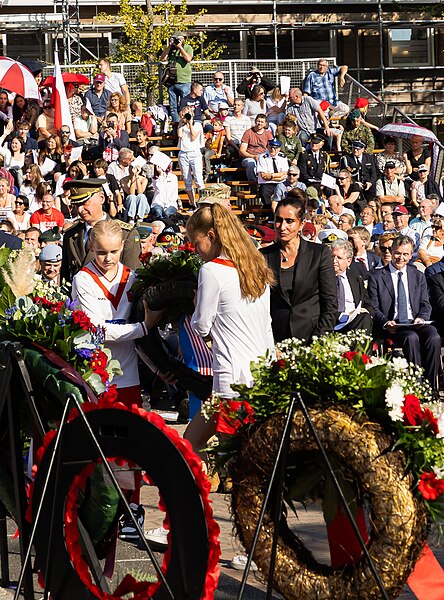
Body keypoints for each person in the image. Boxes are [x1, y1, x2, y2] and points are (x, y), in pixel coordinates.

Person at [72, 219, 162, 539]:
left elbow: (133, 330)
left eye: (112, 251)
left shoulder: (134, 278)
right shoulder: (82, 279)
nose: (107, 258)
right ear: (91, 249)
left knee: (130, 447)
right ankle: (100, 509)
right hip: (97, 376)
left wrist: (157, 362)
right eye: (100, 252)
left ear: (123, 247)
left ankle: (131, 509)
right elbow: (97, 329)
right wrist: (142, 328)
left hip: (129, 377)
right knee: (102, 448)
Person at [183, 203, 275, 461]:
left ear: (211, 237)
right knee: (191, 442)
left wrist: (195, 305)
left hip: (230, 378)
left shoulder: (211, 271)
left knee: (230, 457)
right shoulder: (256, 265)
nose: (194, 250)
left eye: (195, 242)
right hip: (259, 372)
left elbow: (201, 326)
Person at [368, 235, 441, 392]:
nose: (401, 258)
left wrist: (422, 317)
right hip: (393, 325)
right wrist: (385, 323)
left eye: (405, 254)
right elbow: (373, 307)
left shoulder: (418, 276)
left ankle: (430, 387)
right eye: (398, 253)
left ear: (411, 254)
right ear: (392, 251)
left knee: (433, 336)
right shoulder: (377, 277)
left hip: (415, 321)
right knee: (411, 337)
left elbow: (425, 304)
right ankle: (416, 385)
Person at [261, 194, 337, 342]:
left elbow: (330, 304)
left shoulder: (319, 254)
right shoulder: (263, 256)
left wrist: (317, 342)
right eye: (279, 220)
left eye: (290, 221)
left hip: (312, 337)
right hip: (274, 339)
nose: (283, 227)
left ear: (301, 224)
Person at [61, 179, 141, 281]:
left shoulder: (125, 234)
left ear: (102, 198)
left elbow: (133, 277)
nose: (80, 209)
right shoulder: (71, 235)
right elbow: (65, 276)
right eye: (77, 204)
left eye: (85, 202)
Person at [330, 239, 373, 335]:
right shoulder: (323, 279)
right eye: (332, 257)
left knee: (365, 317)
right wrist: (343, 316)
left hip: (356, 322)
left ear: (349, 261)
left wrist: (365, 311)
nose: (334, 261)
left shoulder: (357, 280)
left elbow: (368, 305)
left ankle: (360, 350)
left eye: (339, 258)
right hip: (333, 322)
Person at [159, 31, 193, 123]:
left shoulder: (187, 47)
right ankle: (176, 125)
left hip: (184, 81)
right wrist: (170, 46)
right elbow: (162, 58)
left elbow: (188, 59)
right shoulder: (171, 49)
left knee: (185, 105)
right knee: (173, 106)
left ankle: (185, 123)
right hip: (172, 81)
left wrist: (180, 47)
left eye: (178, 39)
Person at [177, 107, 204, 208]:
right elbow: (179, 135)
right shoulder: (181, 126)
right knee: (186, 179)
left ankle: (202, 203)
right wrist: (182, 122)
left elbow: (193, 137)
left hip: (194, 153)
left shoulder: (197, 125)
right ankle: (193, 204)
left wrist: (190, 124)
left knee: (198, 179)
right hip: (183, 153)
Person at [239, 114, 273, 183]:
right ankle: (253, 184)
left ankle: (267, 184)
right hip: (250, 156)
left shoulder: (268, 134)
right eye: (258, 121)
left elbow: (271, 148)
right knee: (251, 164)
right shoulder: (248, 132)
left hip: (263, 156)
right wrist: (253, 156)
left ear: (265, 123)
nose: (259, 123)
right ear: (255, 121)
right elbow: (242, 151)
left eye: (262, 122)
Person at [256, 139, 288, 205]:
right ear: (268, 147)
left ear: (279, 148)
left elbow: (284, 173)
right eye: (271, 147)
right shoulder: (262, 157)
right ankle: (269, 212)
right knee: (264, 193)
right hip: (267, 184)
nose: (272, 149)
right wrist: (279, 177)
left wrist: (271, 175)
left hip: (281, 183)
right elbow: (263, 176)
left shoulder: (283, 157)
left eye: (275, 148)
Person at [223, 98, 252, 162]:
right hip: (233, 144)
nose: (236, 106)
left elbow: (248, 135)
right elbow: (228, 136)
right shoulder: (228, 119)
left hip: (244, 143)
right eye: (235, 105)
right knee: (229, 151)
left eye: (238, 105)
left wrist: (242, 147)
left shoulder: (247, 119)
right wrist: (237, 149)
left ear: (242, 107)